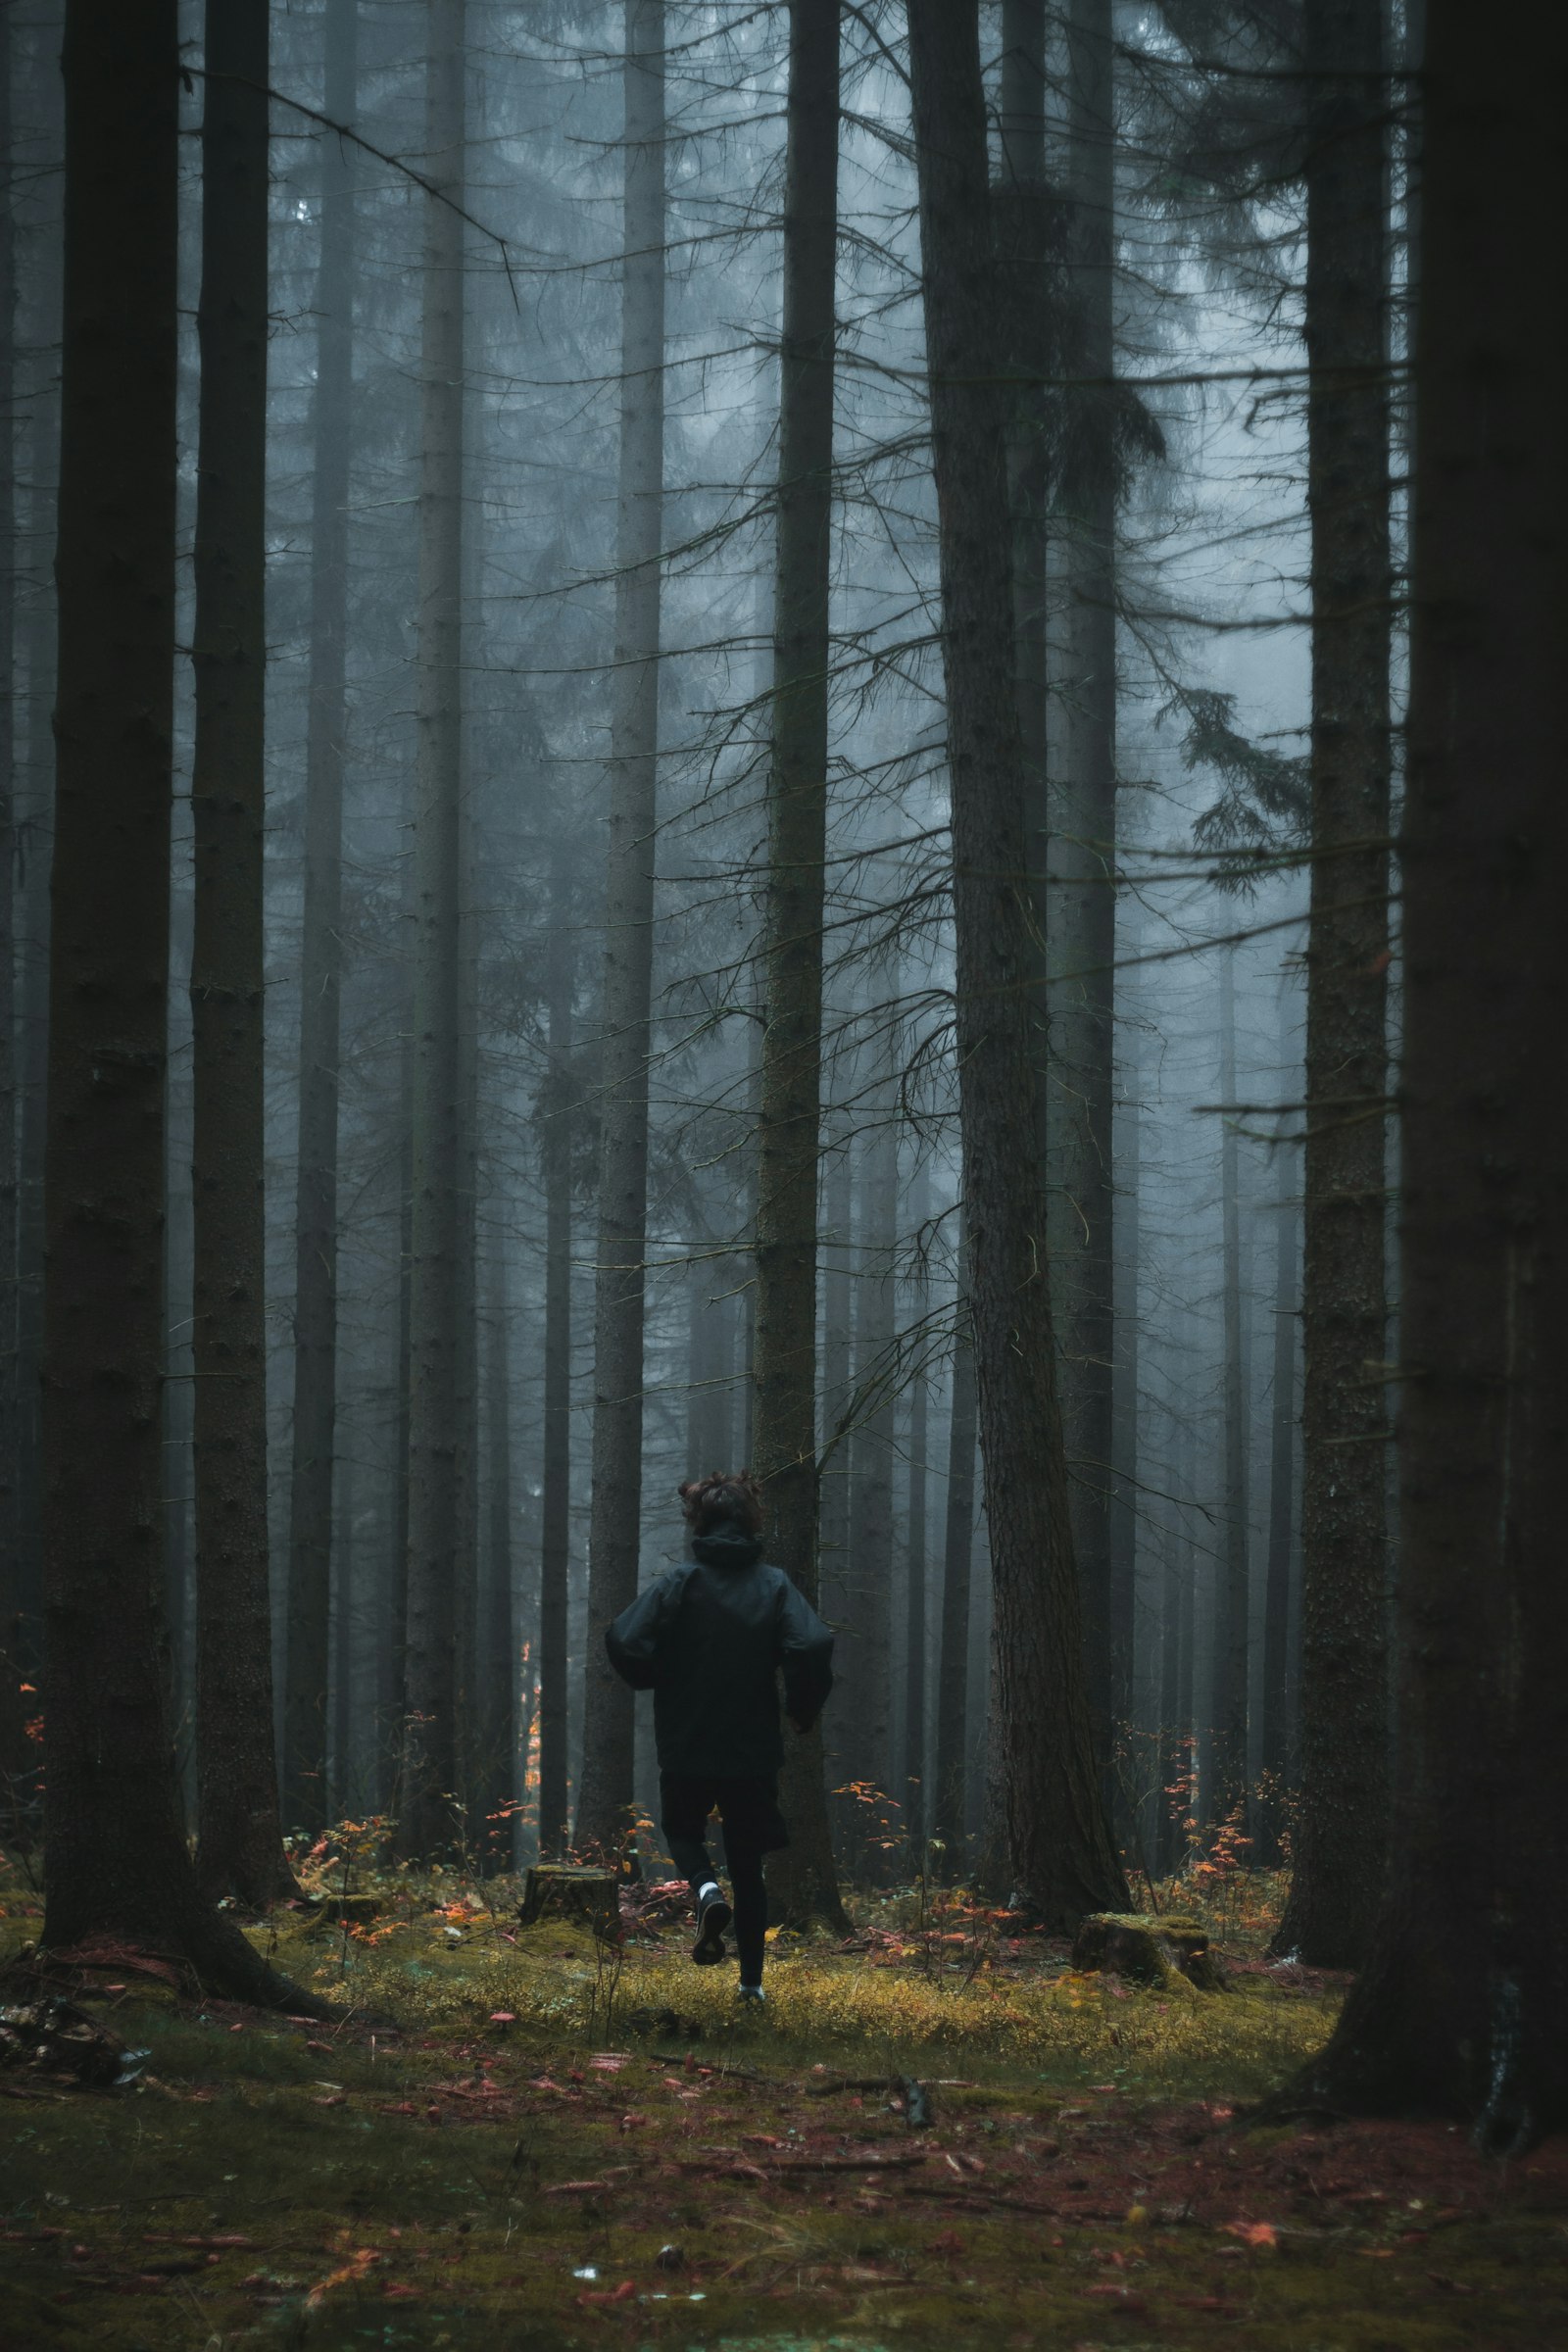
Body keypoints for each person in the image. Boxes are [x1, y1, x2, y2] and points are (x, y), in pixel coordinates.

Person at [605, 1470, 834, 2001]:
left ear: (700, 1522)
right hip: (751, 1747)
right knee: (749, 1864)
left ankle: (705, 1888)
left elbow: (623, 1637)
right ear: (750, 1522)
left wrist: (655, 1676)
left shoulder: (679, 1583)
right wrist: (801, 1709)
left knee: (683, 1832)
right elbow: (813, 1645)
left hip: (687, 1738)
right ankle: (750, 1986)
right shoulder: (774, 1585)